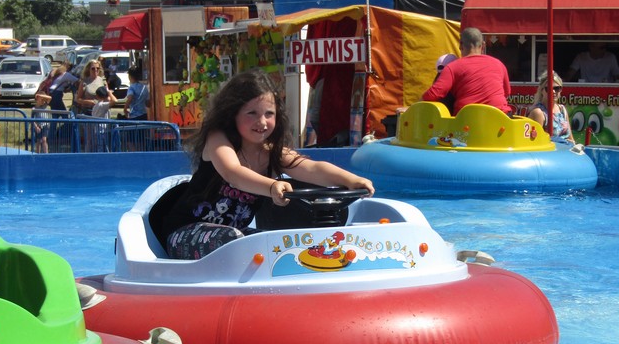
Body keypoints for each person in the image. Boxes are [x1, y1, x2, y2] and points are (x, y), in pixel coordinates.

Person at [158, 69, 375, 260]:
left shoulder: (270, 152)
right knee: (235, 240)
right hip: (184, 233)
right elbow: (233, 173)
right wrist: (271, 186)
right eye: (251, 113)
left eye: (268, 114)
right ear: (233, 114)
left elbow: (311, 168)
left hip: (234, 239)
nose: (261, 122)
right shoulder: (219, 139)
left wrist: (351, 180)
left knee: (279, 244)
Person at [422, 27, 513, 116]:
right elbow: (506, 93)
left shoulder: (452, 67)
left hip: (467, 120)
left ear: (460, 45)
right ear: (483, 45)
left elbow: (433, 94)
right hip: (501, 118)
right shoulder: (499, 64)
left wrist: (415, 105)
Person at [527, 71, 575, 145]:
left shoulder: (562, 109)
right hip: (549, 153)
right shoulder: (538, 113)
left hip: (566, 151)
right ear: (542, 90)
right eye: (548, 88)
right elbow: (535, 142)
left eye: (557, 88)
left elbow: (570, 139)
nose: (553, 91)